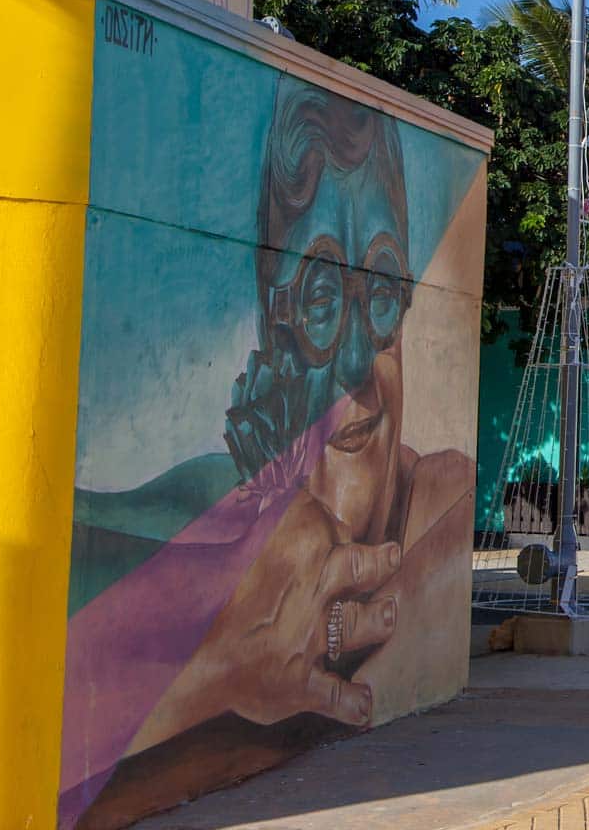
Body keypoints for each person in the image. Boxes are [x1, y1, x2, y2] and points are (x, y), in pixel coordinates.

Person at [59, 83, 473, 829]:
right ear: (268, 321)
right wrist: (204, 670)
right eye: (318, 299)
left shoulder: (440, 505)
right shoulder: (206, 520)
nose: (354, 359)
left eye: (380, 294)